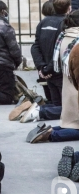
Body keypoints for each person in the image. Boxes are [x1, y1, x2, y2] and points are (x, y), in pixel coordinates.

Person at [18, 0, 71, 123]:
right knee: (67, 109)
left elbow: (35, 46)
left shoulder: (44, 22)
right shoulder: (65, 24)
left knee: (57, 104)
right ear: (69, 8)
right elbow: (60, 51)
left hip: (48, 71)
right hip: (57, 71)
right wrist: (47, 69)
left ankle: (36, 109)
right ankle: (39, 111)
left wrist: (42, 67)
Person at [28, 10, 79, 143]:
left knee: (68, 123)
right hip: (76, 90)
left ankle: (49, 129)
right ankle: (51, 135)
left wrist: (43, 69)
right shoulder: (77, 39)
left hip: (68, 89)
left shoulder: (64, 36)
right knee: (76, 127)